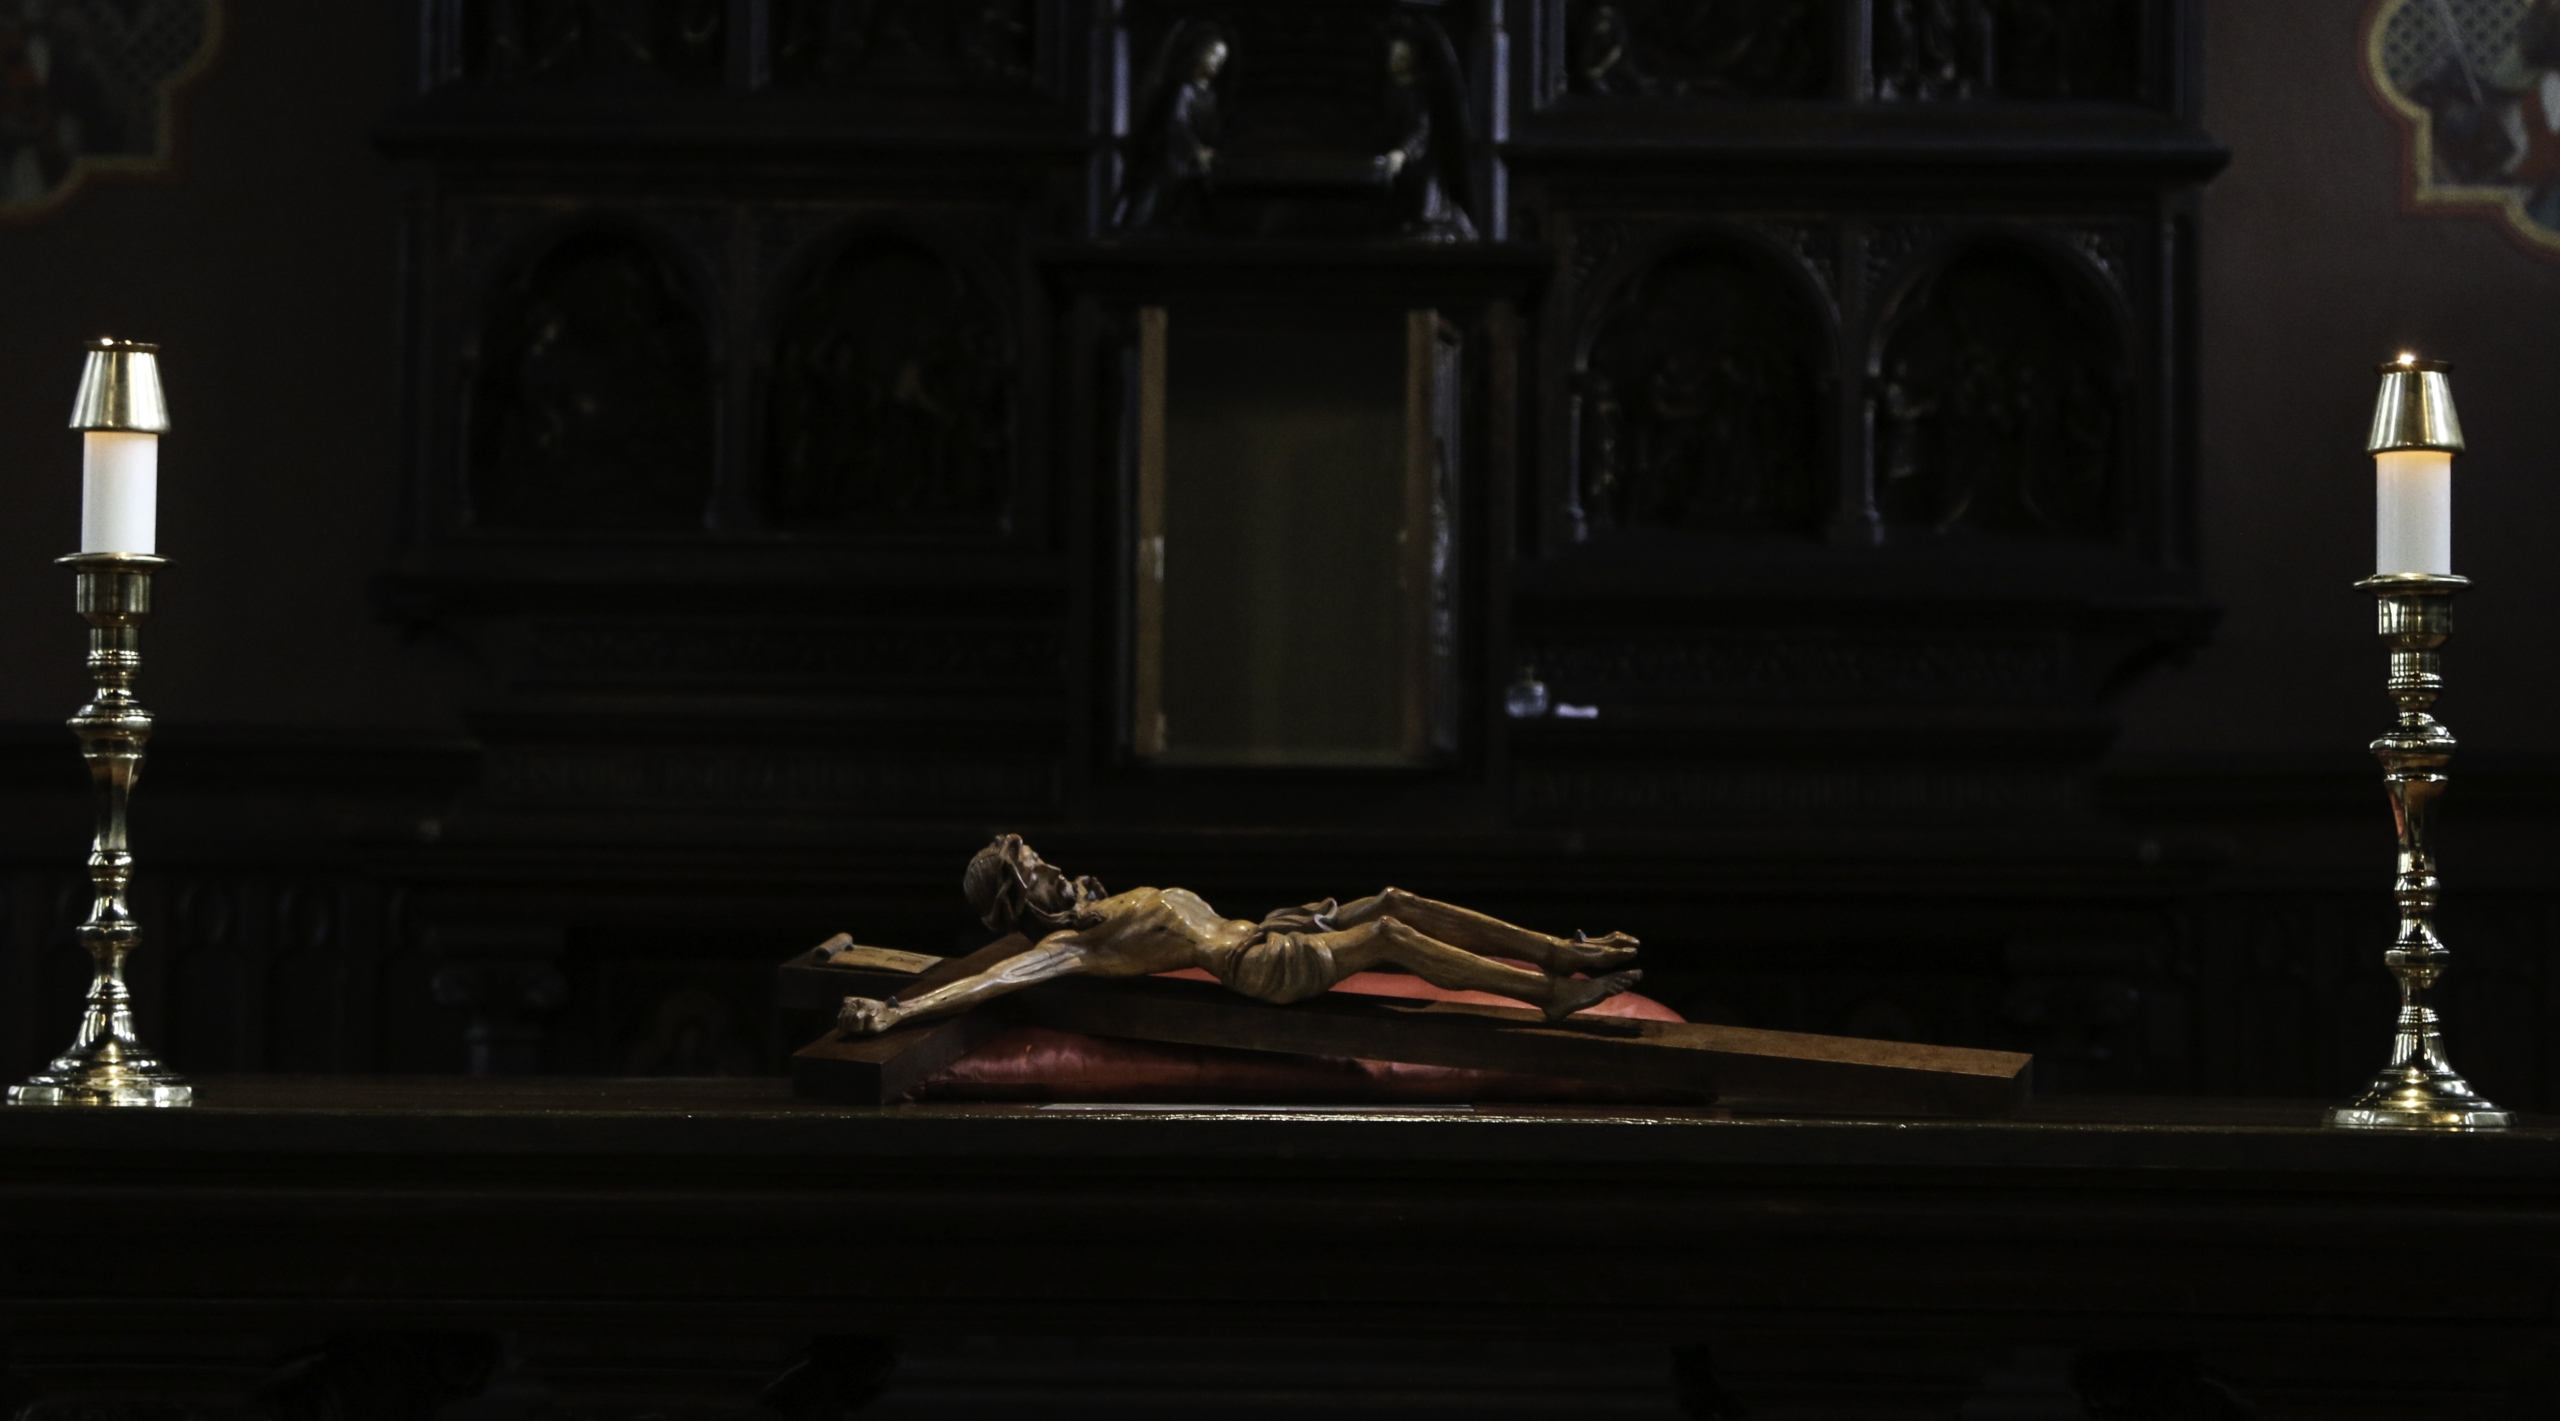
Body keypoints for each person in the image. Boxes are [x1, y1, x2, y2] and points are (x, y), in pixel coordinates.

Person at [834, 835, 1642, 1035]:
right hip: (1258, 964)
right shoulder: (1067, 946)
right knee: (1389, 932)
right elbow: (988, 982)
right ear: (1022, 900)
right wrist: (896, 1011)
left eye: (1036, 856)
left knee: (1393, 897)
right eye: (1033, 869)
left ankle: (1556, 950)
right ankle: (1546, 995)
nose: (1048, 864)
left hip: (1268, 927)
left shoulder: (1094, 908)